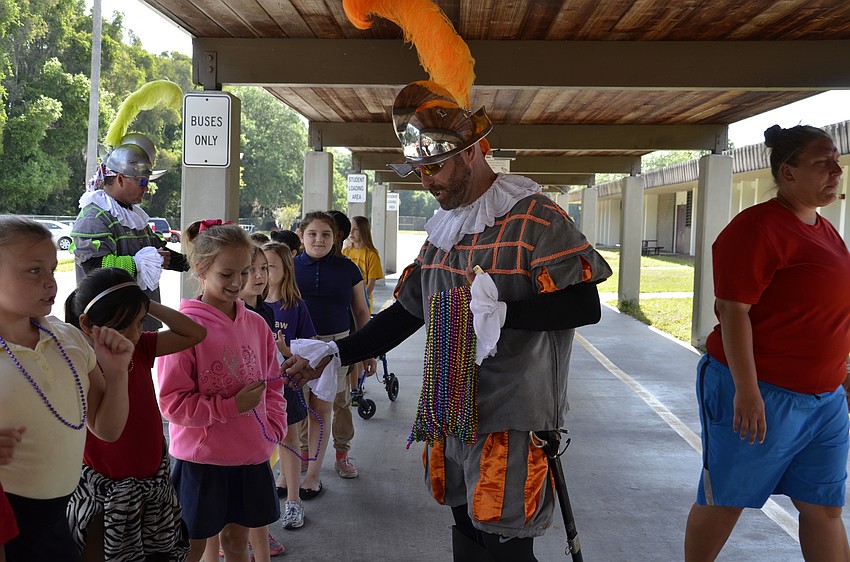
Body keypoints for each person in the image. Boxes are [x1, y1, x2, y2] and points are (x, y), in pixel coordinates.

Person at [282, 81, 611, 561]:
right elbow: (411, 311)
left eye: (434, 167)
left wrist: (506, 313)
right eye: (419, 169)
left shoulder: (535, 218)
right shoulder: (443, 232)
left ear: (475, 152)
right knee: (467, 536)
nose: (425, 182)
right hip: (448, 405)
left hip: (511, 416)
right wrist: (338, 351)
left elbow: (586, 305)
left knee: (505, 547)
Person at [683, 125, 850, 561]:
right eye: (822, 162)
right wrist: (747, 390)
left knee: (824, 507)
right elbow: (733, 310)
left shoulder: (825, 230)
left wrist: (841, 373)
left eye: (836, 162)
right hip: (762, 390)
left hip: (825, 398)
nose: (836, 171)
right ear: (787, 171)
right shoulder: (757, 228)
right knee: (727, 500)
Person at [0, 216, 134, 562]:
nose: (50, 282)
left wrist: (118, 373)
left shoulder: (68, 338)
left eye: (51, 268)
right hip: (7, 516)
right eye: (33, 271)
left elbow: (107, 429)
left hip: (59, 514)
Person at [157, 220, 287, 562]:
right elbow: (172, 404)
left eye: (244, 272)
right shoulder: (183, 329)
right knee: (192, 546)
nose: (237, 283)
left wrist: (274, 429)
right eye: (226, 274)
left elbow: (273, 384)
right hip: (202, 461)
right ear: (201, 270)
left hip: (251, 455)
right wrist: (231, 407)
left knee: (236, 540)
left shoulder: (257, 324)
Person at [64, 267, 206, 562]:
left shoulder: (139, 347)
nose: (133, 333)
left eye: (140, 322)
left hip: (151, 483)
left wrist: (142, 301)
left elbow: (195, 333)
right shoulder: (80, 363)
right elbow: (105, 430)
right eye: (121, 325)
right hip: (105, 493)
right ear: (87, 324)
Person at [72, 133, 189, 331]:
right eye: (142, 181)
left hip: (138, 318)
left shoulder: (133, 215)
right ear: (120, 178)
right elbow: (93, 266)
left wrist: (195, 263)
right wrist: (137, 263)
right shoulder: (95, 216)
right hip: (113, 324)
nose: (146, 188)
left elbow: (159, 251)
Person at [293, 212, 373, 486]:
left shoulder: (348, 268)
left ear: (335, 237)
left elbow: (361, 311)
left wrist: (367, 352)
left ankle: (342, 452)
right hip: (298, 348)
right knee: (300, 403)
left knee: (337, 402)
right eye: (312, 234)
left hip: (337, 346)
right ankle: (305, 453)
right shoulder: (289, 267)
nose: (319, 239)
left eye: (325, 234)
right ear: (301, 237)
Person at [262, 241, 315, 530]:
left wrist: (284, 350)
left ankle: (294, 501)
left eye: (269, 267)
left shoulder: (295, 307)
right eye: (256, 267)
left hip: (286, 384)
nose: (261, 273)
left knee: (290, 440)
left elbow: (308, 349)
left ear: (285, 270)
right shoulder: (247, 306)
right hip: (256, 388)